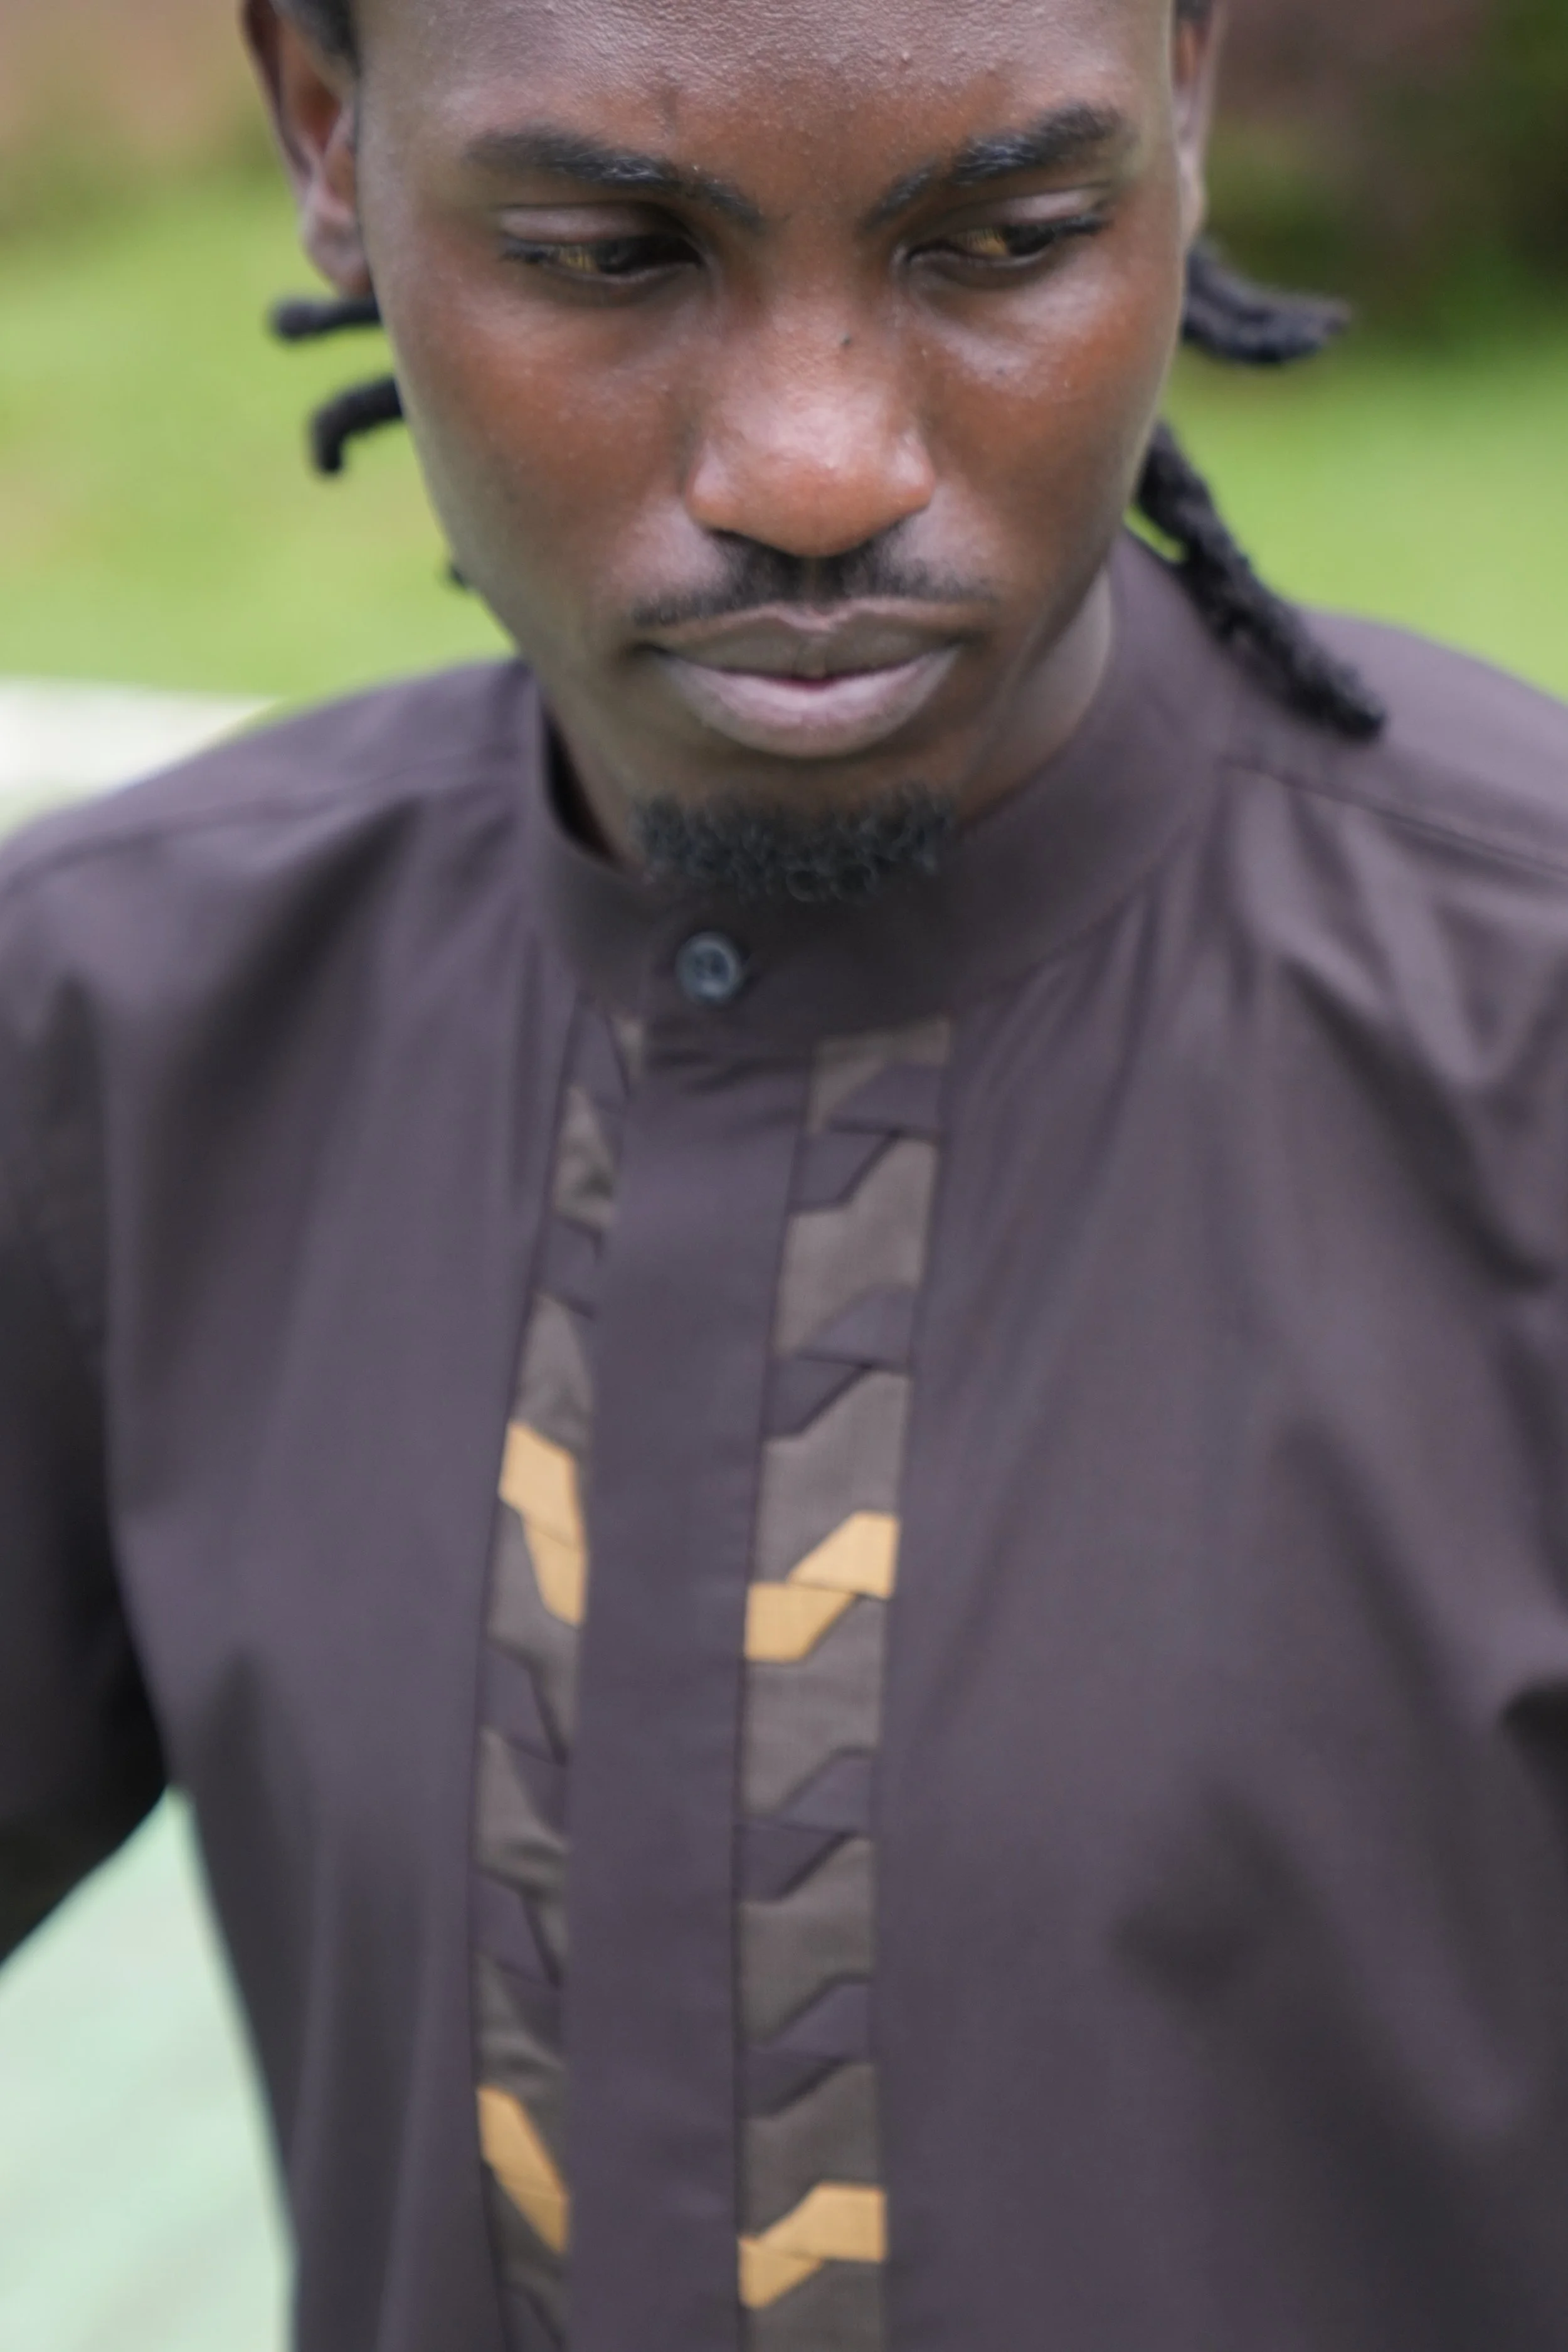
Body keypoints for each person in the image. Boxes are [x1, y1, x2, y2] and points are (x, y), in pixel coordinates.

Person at [3, 0, 1567, 2345]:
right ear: (329, 135)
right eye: (609, 254)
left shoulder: (1526, 1034)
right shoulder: (122, 1029)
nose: (818, 470)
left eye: (1005, 238)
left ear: (1189, 102)